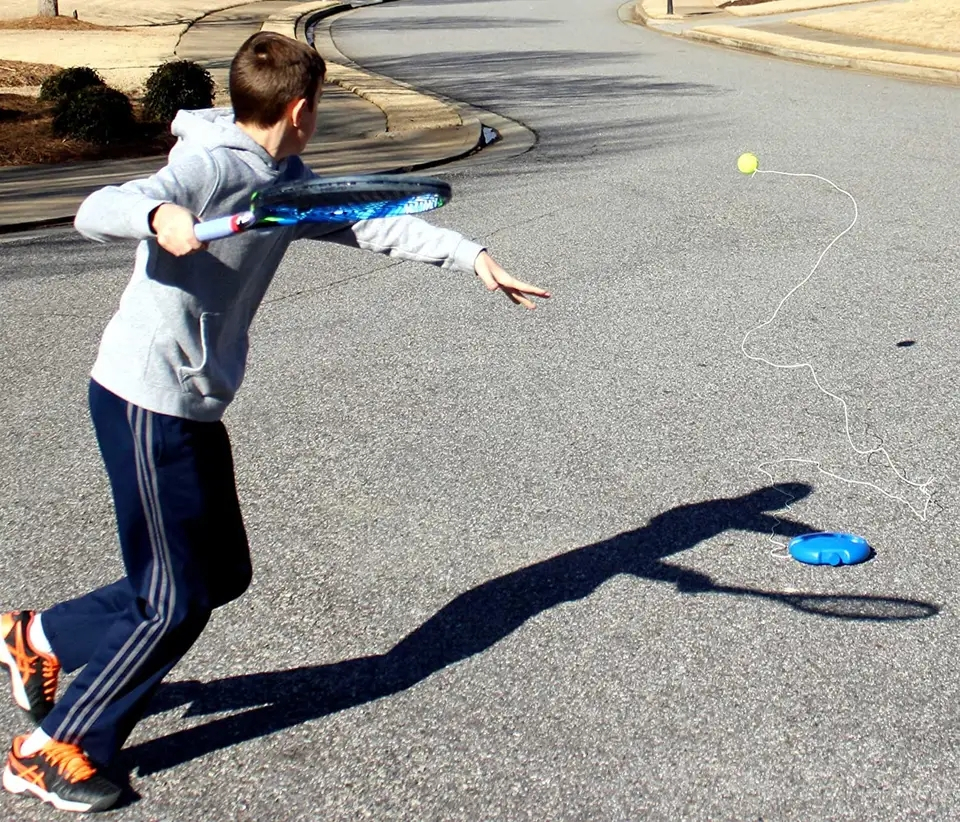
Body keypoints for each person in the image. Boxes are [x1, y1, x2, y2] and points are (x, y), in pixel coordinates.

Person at [0, 30, 549, 814]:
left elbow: (366, 218)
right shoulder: (214, 166)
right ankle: (53, 750)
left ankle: (38, 638)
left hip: (187, 401)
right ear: (300, 109)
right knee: (175, 600)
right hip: (146, 399)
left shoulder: (283, 178)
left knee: (219, 576)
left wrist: (472, 258)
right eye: (319, 105)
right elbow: (98, 206)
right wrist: (160, 214)